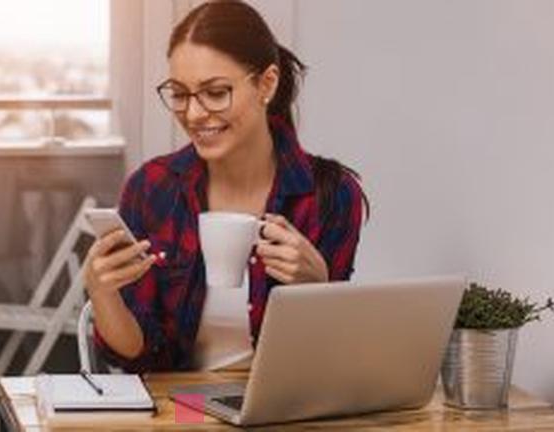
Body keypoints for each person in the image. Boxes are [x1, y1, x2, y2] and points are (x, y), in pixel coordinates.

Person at [84, 0, 368, 372]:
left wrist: (317, 290)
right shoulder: (152, 188)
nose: (194, 113)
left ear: (266, 83)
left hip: (283, 416)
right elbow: (139, 352)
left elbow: (329, 363)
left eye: (216, 92)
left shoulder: (330, 195)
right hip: (180, 418)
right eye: (181, 94)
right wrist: (103, 294)